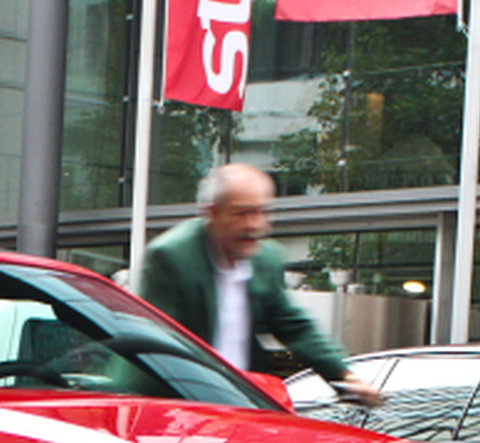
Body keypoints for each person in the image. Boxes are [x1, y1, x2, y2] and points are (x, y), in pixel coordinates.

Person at [137, 164, 384, 407]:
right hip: (174, 406)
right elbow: (159, 345)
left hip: (237, 408)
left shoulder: (267, 258)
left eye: (261, 212)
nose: (254, 225)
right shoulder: (171, 257)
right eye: (241, 213)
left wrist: (344, 376)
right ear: (212, 213)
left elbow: (293, 325)